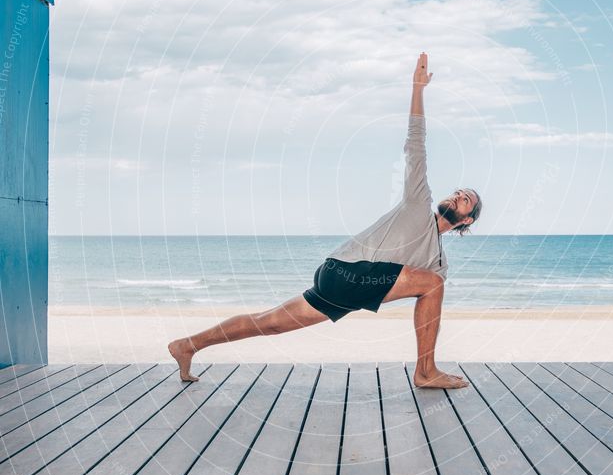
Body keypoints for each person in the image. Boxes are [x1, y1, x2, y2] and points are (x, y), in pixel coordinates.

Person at [168, 52, 482, 389]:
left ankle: (187, 345)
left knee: (270, 322)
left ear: (466, 222)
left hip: (347, 282)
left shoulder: (437, 262)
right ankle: (425, 372)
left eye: (465, 200)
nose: (456, 197)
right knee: (433, 285)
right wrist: (417, 88)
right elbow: (415, 144)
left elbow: (427, 308)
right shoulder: (419, 203)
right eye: (457, 192)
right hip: (347, 271)